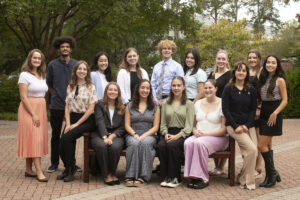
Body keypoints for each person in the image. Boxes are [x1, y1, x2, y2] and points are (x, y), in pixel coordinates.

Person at [57, 61, 98, 182]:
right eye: (79, 69)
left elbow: (91, 109)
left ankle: (71, 169)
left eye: (84, 69)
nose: (82, 71)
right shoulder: (70, 85)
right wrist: (68, 124)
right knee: (61, 144)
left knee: (68, 138)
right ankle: (69, 167)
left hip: (87, 119)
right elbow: (67, 106)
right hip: (72, 118)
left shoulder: (91, 86)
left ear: (87, 72)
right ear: (75, 71)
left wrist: (76, 124)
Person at [184, 79, 228, 189]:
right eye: (205, 88)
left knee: (200, 143)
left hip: (218, 137)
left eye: (210, 88)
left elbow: (224, 130)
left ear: (216, 89)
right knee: (188, 142)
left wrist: (206, 135)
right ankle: (192, 176)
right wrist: (195, 132)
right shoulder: (198, 103)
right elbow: (193, 126)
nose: (207, 90)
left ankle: (203, 178)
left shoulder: (222, 103)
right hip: (199, 136)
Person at [46, 36, 80, 172]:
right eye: (62, 47)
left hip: (73, 107)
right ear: (59, 49)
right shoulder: (52, 65)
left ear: (70, 49)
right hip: (56, 105)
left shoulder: (76, 65)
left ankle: (71, 163)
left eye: (67, 46)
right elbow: (49, 84)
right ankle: (54, 162)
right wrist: (58, 94)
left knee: (71, 136)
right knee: (55, 135)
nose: (65, 48)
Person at [222, 61, 257, 190]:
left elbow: (253, 110)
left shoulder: (251, 89)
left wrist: (247, 125)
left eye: (243, 70)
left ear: (247, 73)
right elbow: (225, 109)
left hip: (248, 125)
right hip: (233, 125)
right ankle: (248, 182)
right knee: (252, 149)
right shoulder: (228, 88)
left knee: (253, 152)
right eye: (238, 70)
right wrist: (236, 125)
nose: (241, 72)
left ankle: (242, 176)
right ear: (234, 72)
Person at [17, 49, 49, 182]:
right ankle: (39, 171)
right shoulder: (24, 75)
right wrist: (34, 114)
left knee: (34, 138)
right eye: (34, 58)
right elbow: (23, 97)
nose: (37, 60)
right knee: (35, 139)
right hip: (29, 109)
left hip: (40, 108)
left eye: (39, 58)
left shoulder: (42, 75)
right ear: (30, 59)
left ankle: (28, 169)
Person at [158, 76, 194, 188]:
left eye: (179, 85)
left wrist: (177, 136)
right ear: (171, 87)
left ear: (183, 87)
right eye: (174, 85)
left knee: (173, 146)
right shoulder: (165, 103)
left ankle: (176, 177)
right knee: (161, 146)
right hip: (168, 132)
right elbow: (163, 123)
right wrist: (165, 133)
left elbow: (189, 126)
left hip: (183, 134)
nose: (176, 88)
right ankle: (166, 176)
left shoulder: (189, 104)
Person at [257, 55, 287, 188]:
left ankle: (272, 173)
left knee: (260, 146)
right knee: (267, 146)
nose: (270, 64)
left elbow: (285, 100)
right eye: (268, 62)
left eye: (273, 63)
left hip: (273, 114)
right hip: (263, 112)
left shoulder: (280, 80)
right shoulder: (262, 78)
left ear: (277, 65)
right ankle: (271, 175)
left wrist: (275, 113)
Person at [124, 80, 160, 187]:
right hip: (132, 133)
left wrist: (144, 135)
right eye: (142, 88)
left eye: (147, 88)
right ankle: (130, 176)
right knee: (134, 144)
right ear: (138, 89)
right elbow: (127, 125)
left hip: (149, 135)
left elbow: (156, 126)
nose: (145, 90)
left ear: (150, 90)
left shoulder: (155, 106)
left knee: (145, 143)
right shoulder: (130, 106)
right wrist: (135, 134)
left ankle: (143, 176)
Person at [90, 82, 125, 185]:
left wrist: (112, 136)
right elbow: (99, 121)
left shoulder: (122, 107)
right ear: (106, 92)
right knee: (102, 146)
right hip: (99, 134)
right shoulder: (100, 104)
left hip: (116, 134)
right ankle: (106, 175)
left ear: (118, 93)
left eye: (115, 90)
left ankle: (112, 173)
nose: (112, 92)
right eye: (110, 90)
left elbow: (123, 126)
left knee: (115, 147)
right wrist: (105, 137)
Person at [207, 49, 231, 175]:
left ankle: (221, 166)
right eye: (219, 58)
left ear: (227, 61)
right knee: (214, 134)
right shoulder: (212, 74)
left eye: (223, 59)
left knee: (224, 135)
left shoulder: (230, 75)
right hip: (212, 108)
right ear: (216, 60)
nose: (221, 61)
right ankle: (217, 166)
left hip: (224, 107)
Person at [151, 40, 184, 106]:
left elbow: (181, 85)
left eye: (169, 49)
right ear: (161, 50)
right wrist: (155, 99)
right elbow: (152, 85)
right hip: (156, 100)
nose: (167, 50)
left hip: (171, 100)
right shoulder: (156, 66)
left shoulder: (177, 66)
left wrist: (170, 99)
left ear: (172, 51)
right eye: (164, 48)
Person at [247, 49, 263, 177]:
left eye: (254, 57)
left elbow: (263, 91)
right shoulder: (247, 72)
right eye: (250, 57)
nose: (252, 60)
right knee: (250, 140)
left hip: (258, 110)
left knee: (259, 140)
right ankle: (250, 165)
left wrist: (259, 107)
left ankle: (258, 165)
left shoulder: (261, 72)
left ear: (259, 59)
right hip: (248, 110)